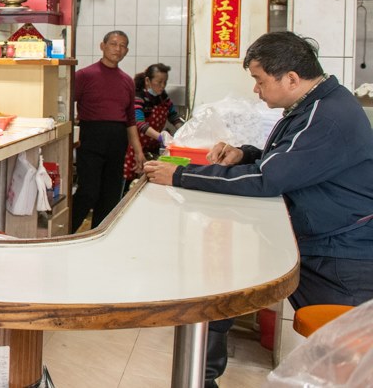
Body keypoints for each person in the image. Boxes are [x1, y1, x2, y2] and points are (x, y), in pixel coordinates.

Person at [143, 31, 373, 388]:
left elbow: (268, 179)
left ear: (292, 78)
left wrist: (180, 175)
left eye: (259, 80)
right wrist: (245, 153)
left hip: (341, 254)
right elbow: (282, 160)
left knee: (349, 359)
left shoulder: (326, 116)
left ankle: (201, 376)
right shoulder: (312, 106)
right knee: (223, 293)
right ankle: (202, 377)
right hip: (319, 239)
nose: (256, 89)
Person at [70, 30, 145, 231]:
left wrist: (138, 151)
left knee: (111, 194)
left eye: (122, 46)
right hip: (91, 137)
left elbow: (130, 121)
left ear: (127, 51)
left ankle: (99, 235)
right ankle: (67, 233)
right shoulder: (84, 75)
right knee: (88, 192)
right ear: (102, 46)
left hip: (118, 140)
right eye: (113, 44)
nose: (117, 49)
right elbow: (65, 103)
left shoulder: (127, 81)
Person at [121, 62, 184, 179]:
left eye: (165, 82)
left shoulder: (163, 98)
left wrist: (185, 130)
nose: (162, 86)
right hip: (134, 149)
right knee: (131, 184)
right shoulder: (138, 98)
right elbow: (139, 123)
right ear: (147, 81)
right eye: (159, 82)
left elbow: (174, 117)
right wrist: (161, 137)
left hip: (152, 147)